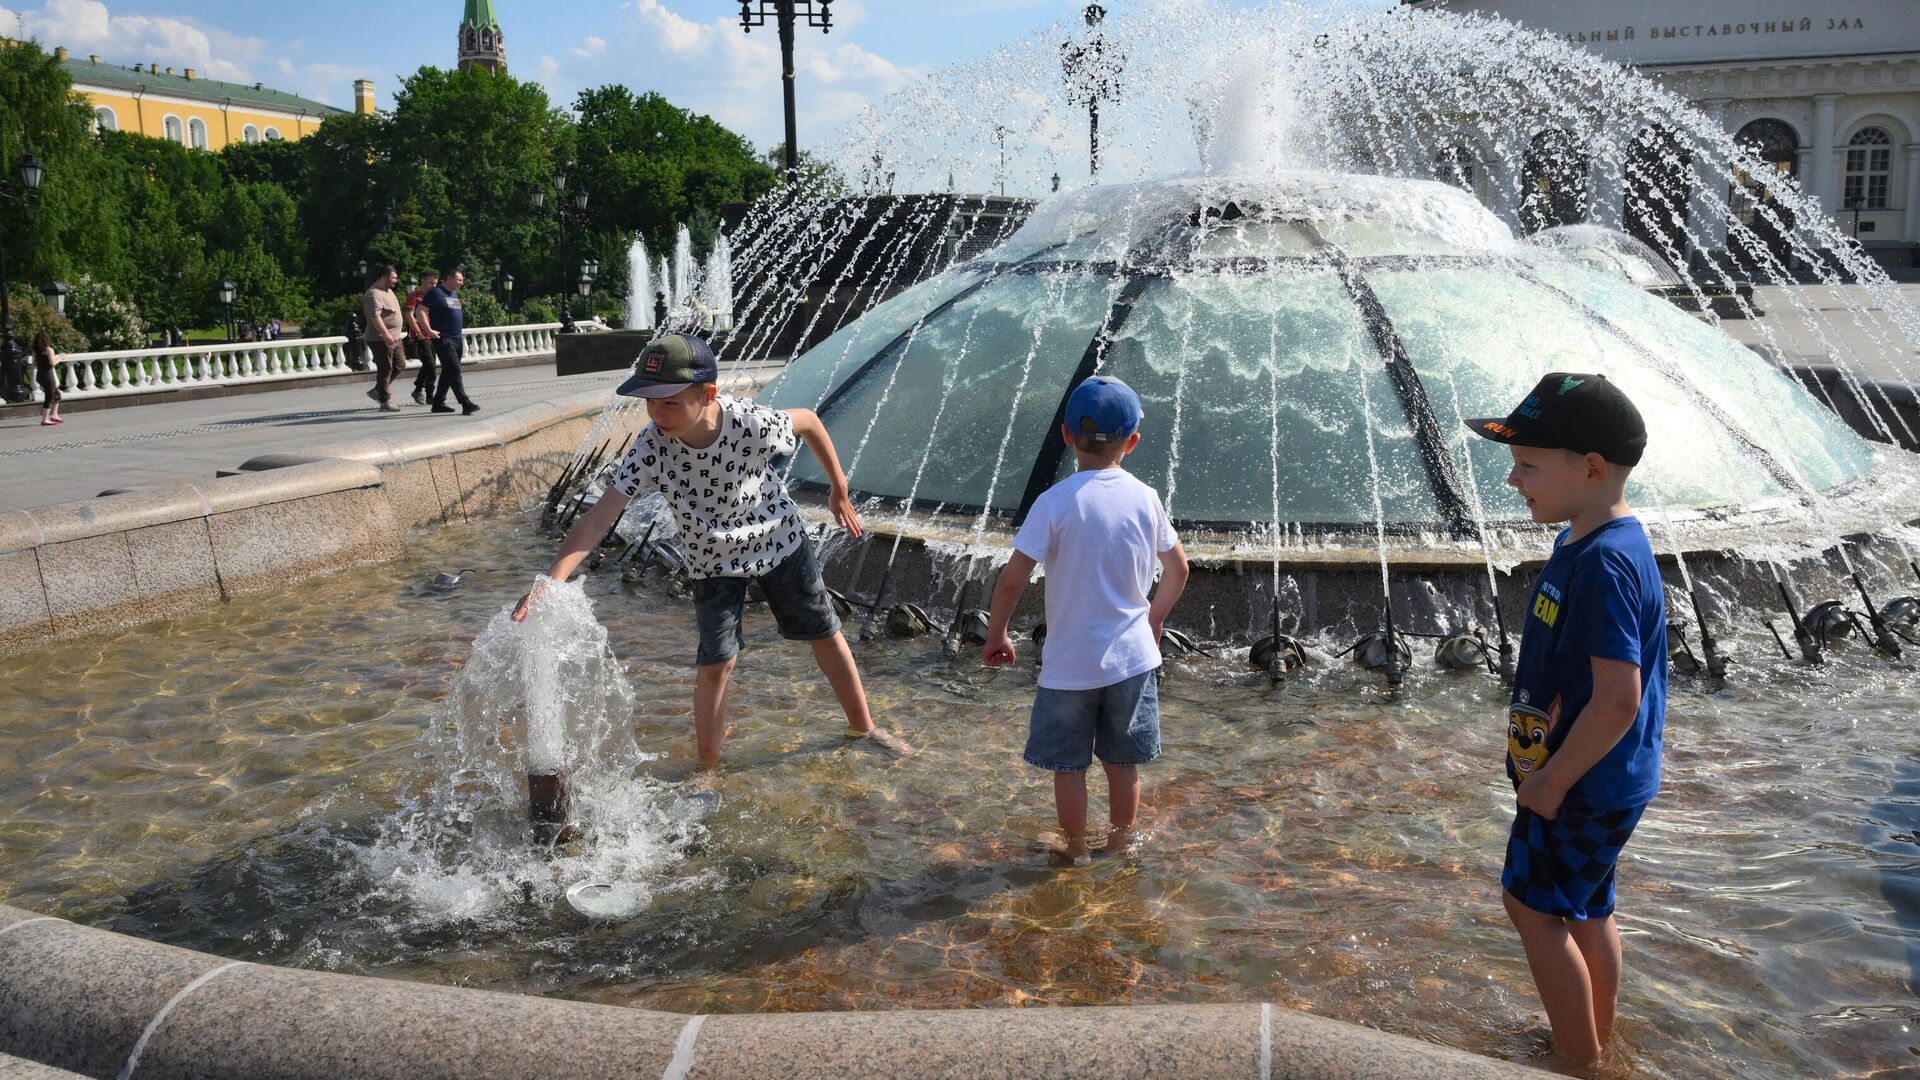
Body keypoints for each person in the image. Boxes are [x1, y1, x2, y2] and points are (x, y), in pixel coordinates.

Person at [512, 332, 912, 770]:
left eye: (669, 402)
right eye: (649, 402)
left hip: (778, 540)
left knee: (824, 633)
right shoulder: (650, 448)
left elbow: (811, 421)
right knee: (716, 662)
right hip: (712, 560)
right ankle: (708, 765)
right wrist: (550, 582)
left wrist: (839, 489)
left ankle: (865, 727)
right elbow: (597, 519)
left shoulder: (748, 422)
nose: (657, 414)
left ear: (707, 395)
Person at [1463, 372, 1666, 1069]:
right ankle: (1593, 1039)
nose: (1515, 481)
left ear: (1590, 469)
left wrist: (1550, 783)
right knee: (1587, 909)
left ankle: (1577, 1061)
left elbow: (1618, 697)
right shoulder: (1590, 540)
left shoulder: (1605, 563)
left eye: (1527, 466)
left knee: (1531, 909)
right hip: (1601, 780)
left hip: (1578, 782)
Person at [982, 375, 1188, 867]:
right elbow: (1178, 568)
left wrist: (998, 633)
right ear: (1132, 442)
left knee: (1068, 768)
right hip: (1132, 661)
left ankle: (1075, 850)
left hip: (1069, 665)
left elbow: (1011, 581)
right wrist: (1153, 619)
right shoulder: (1145, 497)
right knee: (1123, 763)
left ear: (1067, 436)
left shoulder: (1053, 503)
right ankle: (1121, 844)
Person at [419, 268, 477, 416]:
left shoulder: (453, 294)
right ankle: (465, 403)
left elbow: (448, 309)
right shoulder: (435, 292)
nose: (461, 283)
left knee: (448, 371)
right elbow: (420, 311)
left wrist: (458, 303)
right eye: (459, 280)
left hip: (456, 338)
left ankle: (438, 403)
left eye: (462, 280)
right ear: (449, 278)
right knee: (454, 370)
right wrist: (428, 330)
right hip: (443, 338)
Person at [360, 265, 405, 412]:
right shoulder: (374, 294)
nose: (395, 281)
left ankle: (378, 390)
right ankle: (385, 401)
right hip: (380, 338)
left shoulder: (389, 291)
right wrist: (385, 334)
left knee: (399, 365)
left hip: (395, 337)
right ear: (383, 277)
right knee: (385, 368)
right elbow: (375, 317)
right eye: (393, 278)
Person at [404, 271, 439, 406]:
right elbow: (409, 315)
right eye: (431, 282)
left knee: (432, 367)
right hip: (420, 335)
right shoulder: (415, 296)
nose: (434, 285)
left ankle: (430, 395)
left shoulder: (434, 296)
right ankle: (418, 389)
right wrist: (418, 332)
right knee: (429, 363)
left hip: (432, 334)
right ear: (423, 281)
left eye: (435, 283)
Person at [31, 331, 62, 426]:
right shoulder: (49, 350)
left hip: (40, 375)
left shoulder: (36, 351)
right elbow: (52, 363)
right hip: (48, 375)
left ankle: (55, 415)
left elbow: (34, 364)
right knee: (50, 396)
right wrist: (60, 358)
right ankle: (45, 419)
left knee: (57, 395)